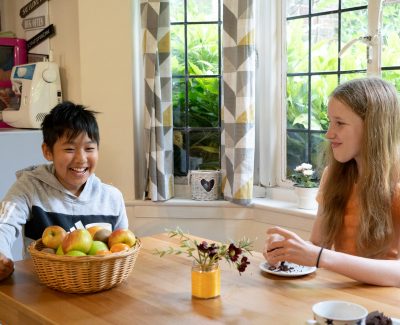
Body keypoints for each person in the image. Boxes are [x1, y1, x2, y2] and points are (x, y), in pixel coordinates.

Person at [264, 77, 400, 286]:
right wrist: (288, 250)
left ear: (374, 127)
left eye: (340, 123)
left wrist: (319, 256)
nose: (329, 133)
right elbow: (318, 244)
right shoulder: (333, 176)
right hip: (338, 295)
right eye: (330, 122)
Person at [0, 101, 128, 281]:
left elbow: (121, 249)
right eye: (69, 149)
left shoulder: (112, 198)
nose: (81, 159)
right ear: (47, 151)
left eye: (89, 148)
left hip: (97, 290)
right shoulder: (29, 187)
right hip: (43, 291)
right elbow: (4, 224)